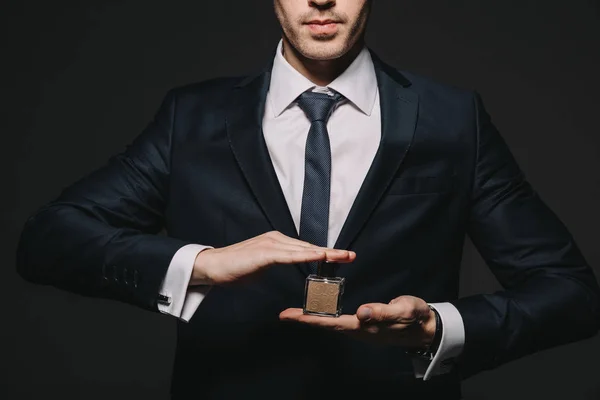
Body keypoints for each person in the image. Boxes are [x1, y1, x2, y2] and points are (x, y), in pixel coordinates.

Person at [16, 0, 600, 399]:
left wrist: (438, 328)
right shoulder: (191, 118)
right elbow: (48, 240)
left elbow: (571, 292)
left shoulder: (453, 121)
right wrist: (200, 263)